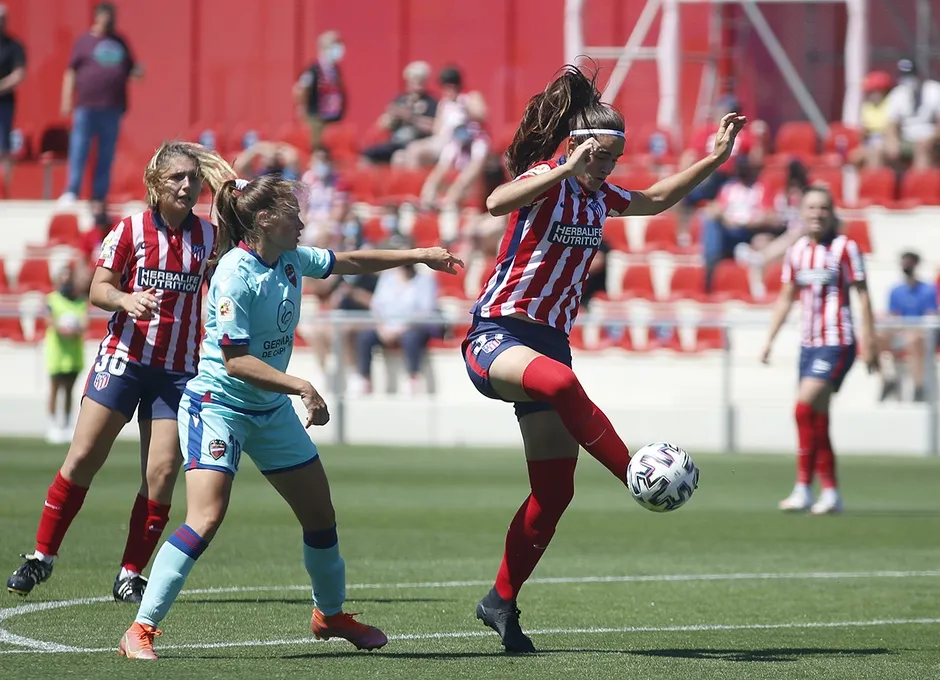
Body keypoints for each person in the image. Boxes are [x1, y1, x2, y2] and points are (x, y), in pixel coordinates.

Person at [116, 174, 463, 660]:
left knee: (320, 516)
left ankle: (330, 613)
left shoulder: (290, 259)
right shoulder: (236, 273)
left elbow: (350, 261)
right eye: (293, 213)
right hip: (219, 406)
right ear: (264, 220)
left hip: (268, 408)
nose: (302, 222)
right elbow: (235, 361)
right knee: (207, 516)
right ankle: (141, 629)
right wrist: (302, 384)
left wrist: (420, 255)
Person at [460, 63, 744, 654]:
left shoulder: (601, 196)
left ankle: (500, 601)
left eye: (614, 158)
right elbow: (494, 202)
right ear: (578, 147)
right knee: (562, 385)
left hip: (549, 343)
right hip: (498, 333)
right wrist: (561, 166)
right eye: (599, 155)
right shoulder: (551, 176)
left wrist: (714, 160)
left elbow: (658, 198)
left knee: (555, 491)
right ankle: (637, 475)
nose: (607, 167)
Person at [7, 142, 235, 603]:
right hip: (124, 359)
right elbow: (98, 289)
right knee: (85, 455)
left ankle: (130, 572)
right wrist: (126, 299)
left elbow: (241, 220)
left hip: (176, 373)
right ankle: (41, 557)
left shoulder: (210, 237)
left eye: (193, 178)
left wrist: (225, 177)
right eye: (178, 177)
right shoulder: (130, 229)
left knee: (163, 471)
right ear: (156, 182)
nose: (188, 185)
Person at [761, 186, 878, 516]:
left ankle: (802, 488)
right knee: (818, 419)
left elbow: (864, 296)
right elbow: (786, 297)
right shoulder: (797, 251)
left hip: (837, 340)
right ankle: (830, 492)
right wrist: (769, 339)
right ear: (802, 213)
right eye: (811, 208)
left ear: (832, 213)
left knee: (801, 409)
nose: (817, 214)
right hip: (808, 343)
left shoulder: (845, 248)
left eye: (823, 208)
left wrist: (870, 342)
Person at [59, 2, 143, 219]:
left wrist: (138, 71)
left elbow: (132, 68)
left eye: (112, 18)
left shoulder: (120, 42)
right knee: (79, 149)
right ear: (97, 18)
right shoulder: (84, 41)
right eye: (106, 18)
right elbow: (71, 71)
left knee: (106, 154)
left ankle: (99, 195)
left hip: (112, 107)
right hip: (86, 105)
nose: (109, 22)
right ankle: (72, 191)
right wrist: (67, 99)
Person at [351, 234, 441, 396]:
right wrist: (382, 327)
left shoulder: (425, 280)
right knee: (365, 336)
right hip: (387, 327)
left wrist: (400, 328)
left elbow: (426, 310)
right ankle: (365, 379)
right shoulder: (388, 278)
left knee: (411, 337)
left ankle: (413, 378)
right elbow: (377, 306)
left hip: (412, 327)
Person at [877, 251, 938, 402]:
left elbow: (930, 315)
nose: (906, 265)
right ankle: (886, 380)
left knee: (914, 339)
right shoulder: (895, 290)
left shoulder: (927, 290)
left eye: (909, 262)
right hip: (900, 334)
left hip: (920, 335)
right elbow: (892, 316)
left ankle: (918, 388)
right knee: (876, 339)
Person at [44, 264, 89, 444]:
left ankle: (68, 423)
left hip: (73, 353)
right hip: (57, 352)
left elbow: (84, 323)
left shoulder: (80, 301)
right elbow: (50, 320)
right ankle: (52, 424)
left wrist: (74, 330)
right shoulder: (52, 299)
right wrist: (61, 328)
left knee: (70, 390)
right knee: (55, 388)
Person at [361, 60, 438, 165]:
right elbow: (383, 125)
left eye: (421, 80)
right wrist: (392, 117)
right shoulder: (400, 100)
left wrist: (410, 117)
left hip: (415, 144)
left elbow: (434, 127)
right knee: (367, 154)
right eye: (414, 79)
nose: (418, 84)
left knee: (399, 159)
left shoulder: (431, 102)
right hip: (395, 142)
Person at [293, 30, 346, 151]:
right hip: (316, 117)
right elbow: (300, 89)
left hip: (332, 118)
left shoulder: (335, 70)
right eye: (334, 44)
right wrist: (304, 110)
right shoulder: (314, 69)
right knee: (317, 148)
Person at [884, 58, 940, 170]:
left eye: (911, 75)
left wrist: (932, 138)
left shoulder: (934, 90)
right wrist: (892, 140)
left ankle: (920, 185)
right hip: (906, 139)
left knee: (921, 149)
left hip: (930, 138)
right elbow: (891, 124)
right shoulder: (897, 94)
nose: (908, 80)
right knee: (877, 152)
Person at [0, 3, 26, 197]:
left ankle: (3, 189)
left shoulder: (13, 46)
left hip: (5, 104)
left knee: (3, 147)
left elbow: (19, 73)